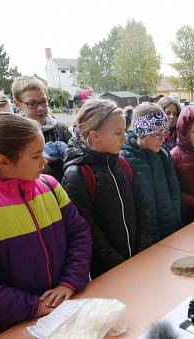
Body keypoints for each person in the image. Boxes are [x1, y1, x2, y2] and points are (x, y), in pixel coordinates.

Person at [0, 113, 91, 336]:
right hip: (15, 328)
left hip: (67, 307)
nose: (45, 160)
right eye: (35, 156)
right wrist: (32, 306)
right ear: (3, 162)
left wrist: (69, 282)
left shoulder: (49, 186)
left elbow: (79, 234)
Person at [62, 98, 154, 277]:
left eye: (125, 131)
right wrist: (118, 263)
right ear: (95, 136)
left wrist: (143, 249)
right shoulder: (77, 174)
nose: (125, 137)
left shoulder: (123, 164)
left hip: (137, 261)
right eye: (118, 132)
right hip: (108, 272)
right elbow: (88, 230)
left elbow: (143, 210)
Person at [120, 102, 181, 241]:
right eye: (157, 134)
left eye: (165, 132)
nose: (163, 138)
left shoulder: (163, 153)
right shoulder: (125, 159)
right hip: (144, 238)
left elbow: (174, 188)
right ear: (142, 132)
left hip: (169, 228)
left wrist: (175, 217)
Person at [12, 76, 72, 181]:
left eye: (43, 102)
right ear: (18, 104)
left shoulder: (60, 129)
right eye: (32, 103)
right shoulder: (15, 137)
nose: (40, 108)